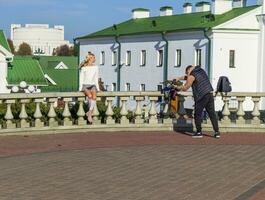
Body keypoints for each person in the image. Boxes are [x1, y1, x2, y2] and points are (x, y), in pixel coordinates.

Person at [175, 65, 220, 139]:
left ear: (189, 70)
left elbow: (186, 87)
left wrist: (177, 88)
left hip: (201, 96)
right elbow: (189, 78)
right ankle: (217, 132)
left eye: (187, 73)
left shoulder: (192, 75)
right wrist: (179, 78)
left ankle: (199, 132)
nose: (187, 75)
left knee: (197, 114)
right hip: (209, 94)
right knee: (212, 114)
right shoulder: (201, 70)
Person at [79, 52, 100, 123]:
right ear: (90, 59)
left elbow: (96, 78)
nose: (95, 59)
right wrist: (80, 88)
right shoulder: (84, 68)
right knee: (90, 96)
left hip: (92, 85)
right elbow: (81, 78)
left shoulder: (96, 67)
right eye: (94, 57)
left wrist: (98, 88)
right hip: (85, 85)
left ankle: (89, 113)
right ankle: (90, 113)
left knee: (94, 97)